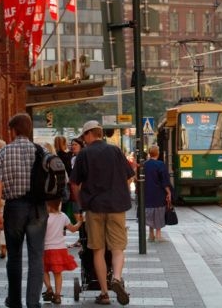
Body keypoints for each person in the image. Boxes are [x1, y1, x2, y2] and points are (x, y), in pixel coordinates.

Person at [70, 120, 134, 306]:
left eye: (84, 136)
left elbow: (74, 184)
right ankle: (116, 277)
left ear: (90, 134)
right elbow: (130, 176)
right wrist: (120, 191)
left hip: (94, 207)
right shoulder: (115, 151)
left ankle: (104, 293)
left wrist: (81, 203)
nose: (84, 140)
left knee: (97, 249)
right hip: (116, 206)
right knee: (117, 247)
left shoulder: (84, 154)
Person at [0, 113, 49, 308]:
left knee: (14, 256)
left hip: (14, 208)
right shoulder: (41, 151)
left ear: (13, 131)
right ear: (29, 130)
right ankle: (33, 302)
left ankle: (14, 300)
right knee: (36, 256)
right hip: (38, 209)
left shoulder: (3, 153)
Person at [41, 199, 82, 305]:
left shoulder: (44, 217)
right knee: (57, 273)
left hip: (46, 248)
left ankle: (49, 288)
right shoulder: (63, 216)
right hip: (60, 249)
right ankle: (58, 296)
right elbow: (73, 229)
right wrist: (80, 222)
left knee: (43, 270)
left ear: (48, 207)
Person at [143, 144, 172, 242]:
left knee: (150, 214)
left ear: (149, 154)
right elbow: (165, 181)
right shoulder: (160, 165)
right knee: (159, 213)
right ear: (158, 154)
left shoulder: (145, 165)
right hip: (159, 194)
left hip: (147, 194)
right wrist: (169, 192)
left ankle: (151, 235)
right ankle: (158, 235)